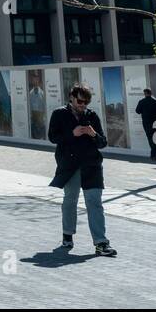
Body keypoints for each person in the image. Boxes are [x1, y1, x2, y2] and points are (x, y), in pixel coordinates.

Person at [49, 85, 116, 256]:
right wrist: (72, 134)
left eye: (86, 102)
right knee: (70, 200)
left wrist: (93, 134)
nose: (82, 105)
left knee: (94, 202)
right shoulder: (59, 114)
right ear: (71, 97)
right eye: (80, 101)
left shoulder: (91, 115)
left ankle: (101, 243)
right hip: (70, 165)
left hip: (91, 165)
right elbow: (52, 137)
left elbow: (102, 143)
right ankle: (67, 235)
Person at [135, 88, 156, 162]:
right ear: (151, 94)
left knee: (149, 137)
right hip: (155, 122)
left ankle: (154, 154)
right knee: (155, 138)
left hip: (146, 123)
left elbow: (137, 111)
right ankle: (154, 154)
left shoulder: (142, 102)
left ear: (145, 94)